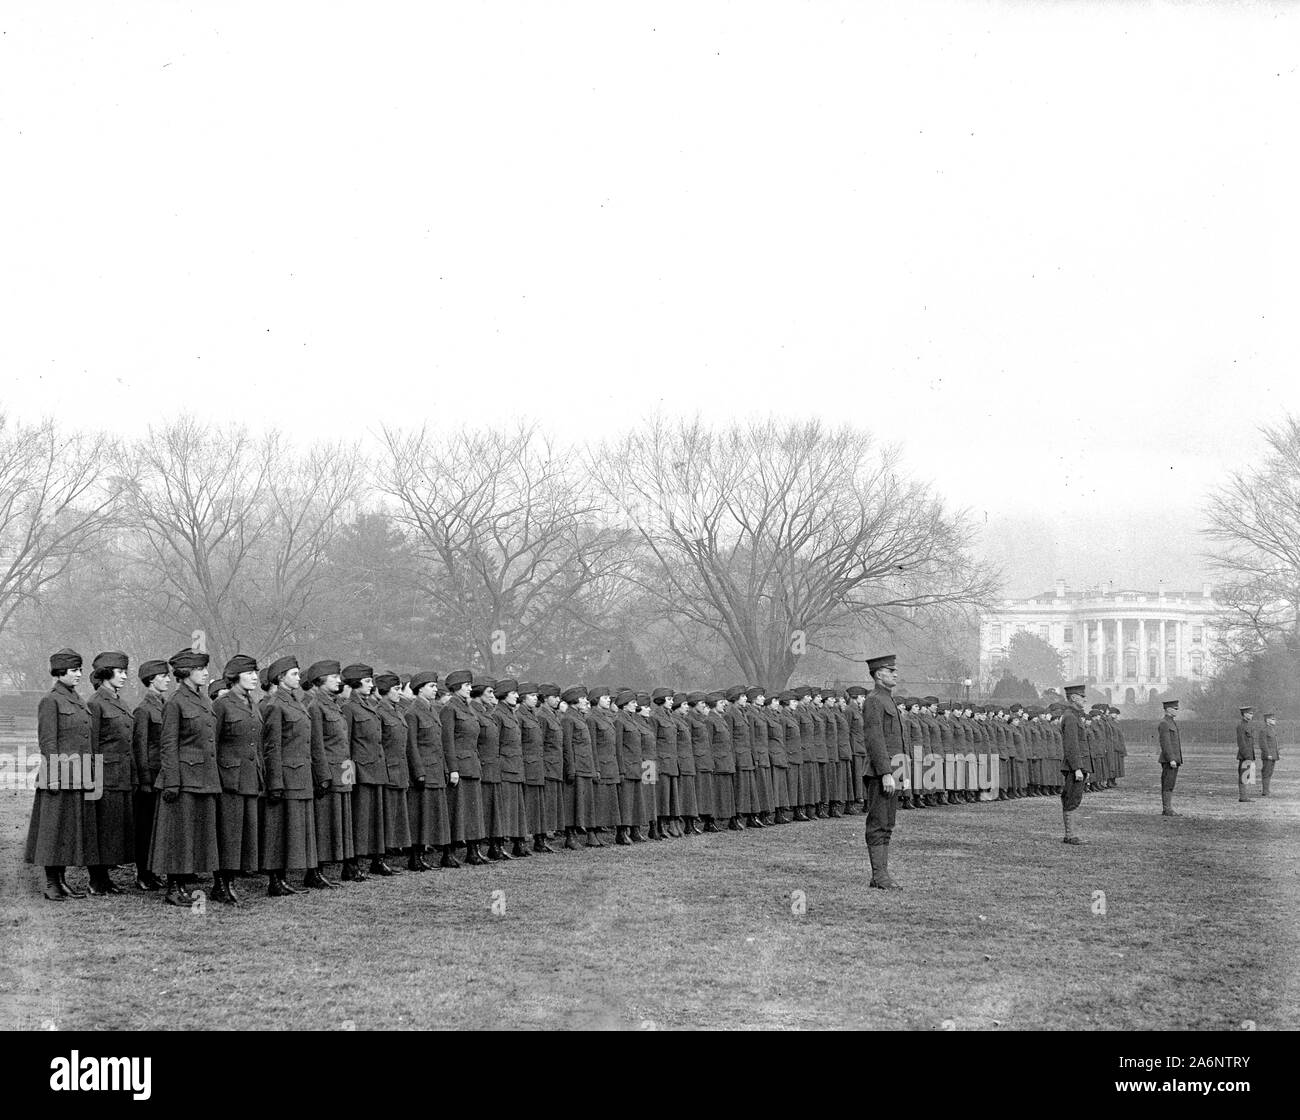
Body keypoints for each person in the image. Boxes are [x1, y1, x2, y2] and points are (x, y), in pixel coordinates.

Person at [150, 647, 221, 906]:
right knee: (179, 835)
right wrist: (172, 781)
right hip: (183, 780)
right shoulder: (176, 703)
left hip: (203, 778)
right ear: (186, 673)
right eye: (200, 669)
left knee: (194, 834)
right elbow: (168, 745)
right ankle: (174, 887)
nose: (205, 673)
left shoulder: (203, 700)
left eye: (204, 668)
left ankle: (183, 884)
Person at [26, 649, 93, 901]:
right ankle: (52, 883)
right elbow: (47, 742)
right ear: (60, 672)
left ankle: (61, 880)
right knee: (53, 831)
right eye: (74, 670)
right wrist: (53, 776)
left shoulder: (76, 699)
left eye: (79, 669)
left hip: (76, 776)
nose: (79, 674)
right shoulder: (51, 700)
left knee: (66, 831)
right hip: (58, 777)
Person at [260, 655, 322, 896]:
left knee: (293, 829)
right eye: (294, 674)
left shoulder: (295, 702)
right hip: (286, 776)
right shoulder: (276, 705)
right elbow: (272, 747)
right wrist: (275, 782)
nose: (298, 677)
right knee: (278, 829)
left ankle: (283, 878)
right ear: (280, 678)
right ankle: (276, 880)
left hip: (300, 775)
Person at [211, 654, 263, 904]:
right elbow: (213, 743)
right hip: (228, 779)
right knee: (228, 834)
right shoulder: (222, 704)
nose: (255, 677)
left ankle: (229, 882)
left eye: (256, 673)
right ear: (234, 677)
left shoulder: (252, 702)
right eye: (249, 673)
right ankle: (221, 884)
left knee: (244, 834)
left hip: (250, 778)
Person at [86, 651, 136, 895]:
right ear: (106, 674)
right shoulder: (95, 703)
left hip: (121, 776)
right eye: (121, 672)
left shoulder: (120, 702)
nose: (125, 676)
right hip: (103, 777)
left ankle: (104, 879)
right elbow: (91, 745)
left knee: (114, 829)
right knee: (101, 829)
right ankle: (97, 880)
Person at [305, 659, 350, 888]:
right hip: (329, 771)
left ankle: (342, 866)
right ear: (320, 681)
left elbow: (343, 742)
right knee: (323, 821)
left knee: (341, 819)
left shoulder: (335, 704)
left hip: (343, 769)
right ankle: (315, 871)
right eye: (333, 677)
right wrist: (322, 775)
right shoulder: (316, 706)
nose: (338, 681)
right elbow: (317, 745)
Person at [861, 655, 902, 889]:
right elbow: (874, 739)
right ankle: (879, 875)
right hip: (881, 772)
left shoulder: (888, 699)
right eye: (890, 670)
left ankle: (880, 874)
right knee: (878, 822)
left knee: (887, 823)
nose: (895, 673)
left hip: (892, 771)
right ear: (878, 674)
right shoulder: (875, 700)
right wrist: (886, 772)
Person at [406, 670, 455, 867]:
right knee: (420, 815)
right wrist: (419, 772)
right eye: (431, 686)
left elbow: (439, 744)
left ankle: (443, 854)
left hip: (436, 770)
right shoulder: (412, 713)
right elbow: (412, 746)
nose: (435, 690)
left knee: (436, 814)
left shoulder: (432, 710)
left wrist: (444, 768)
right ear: (419, 689)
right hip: (424, 771)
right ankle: (416, 857)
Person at [342, 663, 387, 878]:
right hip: (359, 773)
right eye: (368, 681)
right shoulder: (349, 708)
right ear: (356, 682)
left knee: (375, 820)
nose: (371, 685)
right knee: (359, 821)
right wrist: (347, 779)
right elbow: (346, 746)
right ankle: (352, 865)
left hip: (375, 770)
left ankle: (376, 860)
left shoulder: (367, 705)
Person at [131, 659, 169, 891]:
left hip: (163, 777)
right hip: (150, 779)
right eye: (163, 676)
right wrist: (144, 780)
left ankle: (153, 872)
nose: (167, 679)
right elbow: (140, 747)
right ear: (151, 680)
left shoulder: (166, 706)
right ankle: (143, 874)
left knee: (158, 827)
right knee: (145, 828)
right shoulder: (143, 710)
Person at [442, 669, 485, 865]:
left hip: (472, 765)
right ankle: (448, 853)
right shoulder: (450, 709)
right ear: (458, 687)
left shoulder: (468, 708)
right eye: (467, 685)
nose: (470, 688)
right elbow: (448, 742)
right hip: (459, 767)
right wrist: (453, 769)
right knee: (455, 811)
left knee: (472, 812)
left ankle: (473, 851)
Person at [375, 673, 413, 868]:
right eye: (396, 689)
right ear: (384, 691)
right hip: (388, 769)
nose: (399, 693)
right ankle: (380, 858)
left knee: (397, 813)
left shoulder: (396, 711)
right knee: (386, 815)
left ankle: (390, 851)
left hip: (400, 768)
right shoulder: (379, 712)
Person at [492, 679, 530, 858]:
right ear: (504, 694)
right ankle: (497, 846)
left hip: (515, 767)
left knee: (516, 808)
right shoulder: (497, 714)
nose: (517, 696)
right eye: (513, 693)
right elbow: (495, 745)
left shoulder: (511, 713)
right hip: (505, 768)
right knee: (504, 809)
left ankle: (518, 844)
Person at [560, 685, 597, 848]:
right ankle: (570, 836)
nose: (585, 701)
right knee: (572, 803)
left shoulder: (580, 717)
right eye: (582, 698)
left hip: (585, 765)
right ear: (574, 700)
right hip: (576, 767)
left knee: (583, 803)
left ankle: (585, 835)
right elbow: (567, 746)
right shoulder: (568, 718)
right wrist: (570, 769)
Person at [1060, 684, 1088, 844]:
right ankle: (1070, 835)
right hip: (1073, 766)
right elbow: (1071, 746)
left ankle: (1070, 834)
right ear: (1073, 698)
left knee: (1074, 798)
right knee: (1071, 798)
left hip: (1077, 765)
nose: (1085, 699)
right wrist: (1077, 768)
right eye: (1082, 697)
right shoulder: (1070, 717)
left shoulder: (1075, 715)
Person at [1157, 698, 1182, 817]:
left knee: (1170, 783)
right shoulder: (1164, 723)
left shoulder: (1171, 722)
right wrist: (1171, 758)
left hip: (1175, 758)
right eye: (1174, 709)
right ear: (1168, 709)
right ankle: (1167, 809)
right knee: (1167, 783)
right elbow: (1165, 743)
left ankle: (1168, 808)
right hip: (1169, 759)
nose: (1177, 711)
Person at [1236, 706, 1256, 802]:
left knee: (1248, 776)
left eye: (1252, 713)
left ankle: (1245, 796)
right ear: (1244, 714)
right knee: (1244, 775)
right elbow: (1241, 743)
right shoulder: (1241, 726)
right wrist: (1247, 755)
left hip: (1249, 755)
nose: (1252, 715)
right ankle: (1243, 797)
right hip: (1245, 755)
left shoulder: (1249, 725)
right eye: (1250, 713)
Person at [1260, 713, 1280, 797]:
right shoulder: (1264, 730)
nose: (1274, 721)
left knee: (1270, 773)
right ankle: (1265, 791)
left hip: (1273, 755)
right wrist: (1268, 754)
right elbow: (1263, 743)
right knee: (1266, 772)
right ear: (1267, 720)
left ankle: (1267, 790)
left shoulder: (1272, 730)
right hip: (1268, 756)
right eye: (1272, 719)